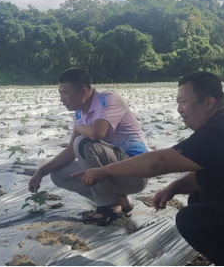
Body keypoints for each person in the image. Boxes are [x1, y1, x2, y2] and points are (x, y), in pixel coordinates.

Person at [74, 71, 224, 265]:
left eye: (183, 102)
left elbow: (161, 162)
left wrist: (104, 171)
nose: (179, 109)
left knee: (191, 220)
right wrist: (175, 187)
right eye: (178, 102)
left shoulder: (221, 131)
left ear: (208, 103)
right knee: (199, 198)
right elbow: (208, 169)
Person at [28, 67, 149, 226]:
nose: (61, 99)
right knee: (58, 174)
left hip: (135, 173)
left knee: (83, 142)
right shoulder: (80, 114)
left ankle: (108, 205)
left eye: (65, 93)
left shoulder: (107, 99)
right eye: (60, 93)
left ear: (83, 92)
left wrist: (79, 129)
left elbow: (96, 133)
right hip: (112, 172)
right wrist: (41, 171)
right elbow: (71, 152)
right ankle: (119, 201)